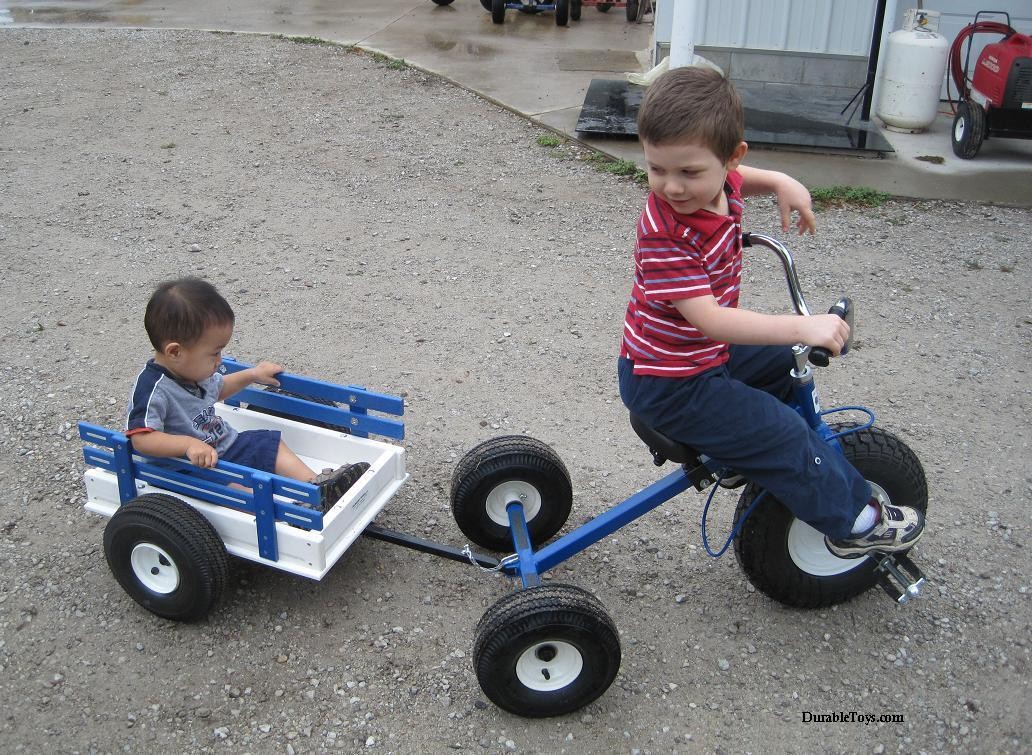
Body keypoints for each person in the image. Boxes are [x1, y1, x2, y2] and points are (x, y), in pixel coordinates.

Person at [618, 66, 923, 557]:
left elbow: (742, 179)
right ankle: (856, 523)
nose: (671, 186)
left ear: (729, 157)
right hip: (670, 383)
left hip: (699, 359)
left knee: (785, 363)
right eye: (657, 169)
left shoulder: (723, 183)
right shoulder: (664, 233)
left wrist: (782, 182)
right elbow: (712, 320)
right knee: (783, 434)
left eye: (688, 172)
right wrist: (804, 324)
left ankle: (747, 450)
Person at [125, 277, 367, 511]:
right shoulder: (153, 388)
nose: (219, 361)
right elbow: (142, 439)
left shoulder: (193, 372)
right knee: (236, 488)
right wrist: (187, 445)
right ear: (175, 352)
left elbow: (219, 389)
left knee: (267, 443)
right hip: (187, 468)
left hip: (225, 446)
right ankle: (284, 514)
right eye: (214, 354)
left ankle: (317, 488)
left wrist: (252, 374)